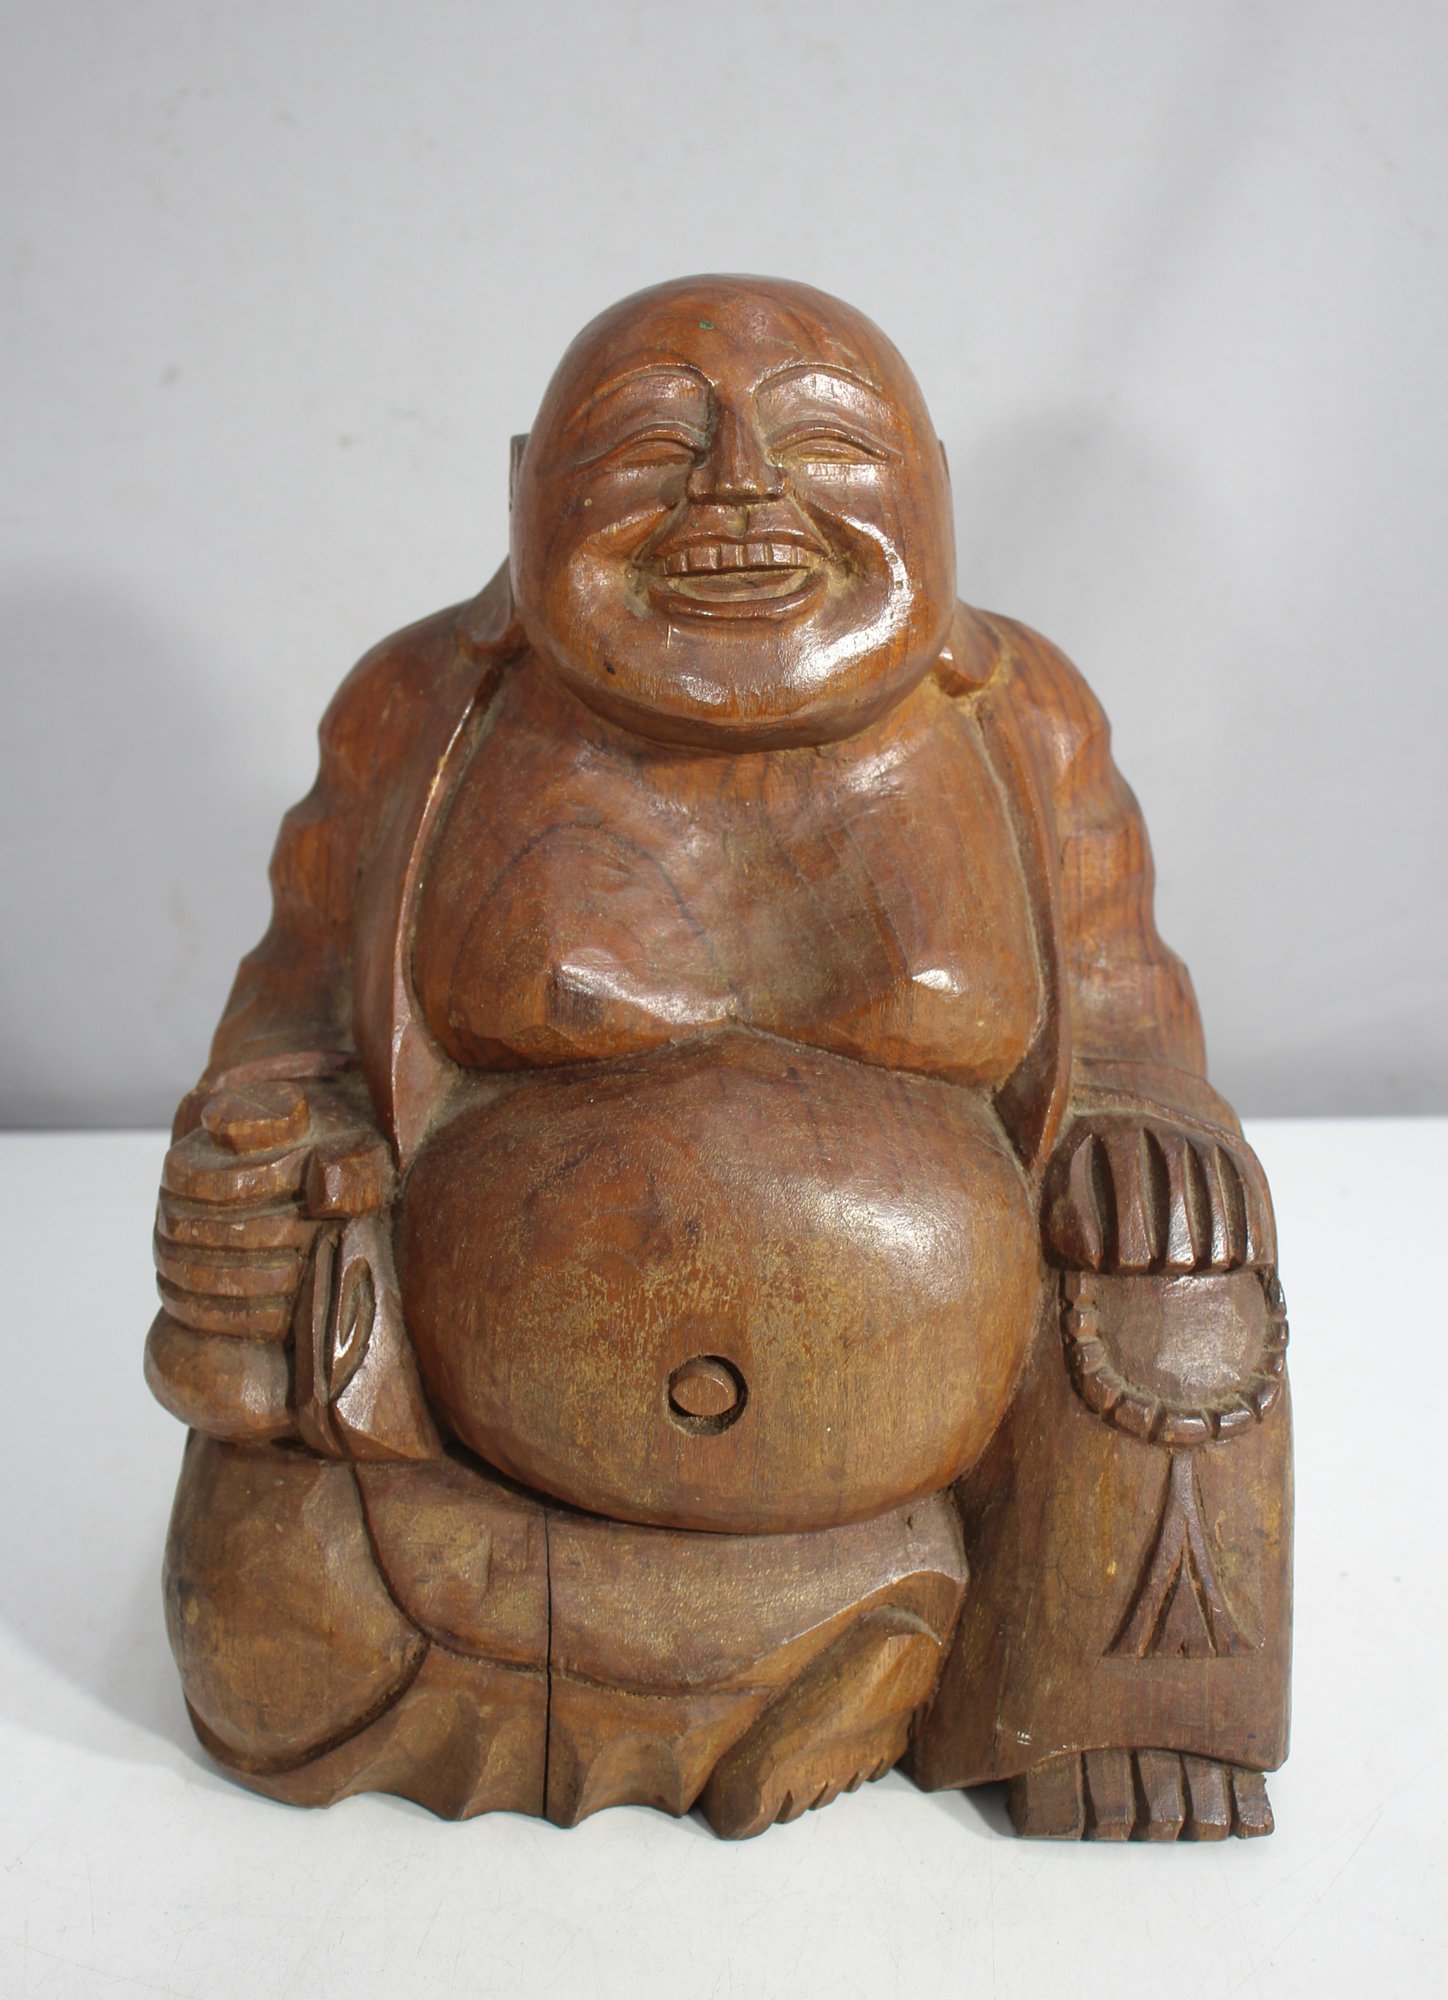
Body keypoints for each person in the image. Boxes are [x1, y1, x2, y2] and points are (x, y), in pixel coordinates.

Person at [148, 276, 1290, 1840]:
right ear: (522, 492)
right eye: (648, 449)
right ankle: (819, 1648)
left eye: (825, 444)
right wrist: (265, 1141)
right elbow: (288, 1007)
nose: (740, 491)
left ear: (933, 487)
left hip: (914, 1456)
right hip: (464, 1475)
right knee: (261, 1646)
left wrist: (1150, 1114)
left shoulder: (1018, 716)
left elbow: (1126, 999)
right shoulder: (425, 707)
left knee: (1182, 1243)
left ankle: (1078, 1693)